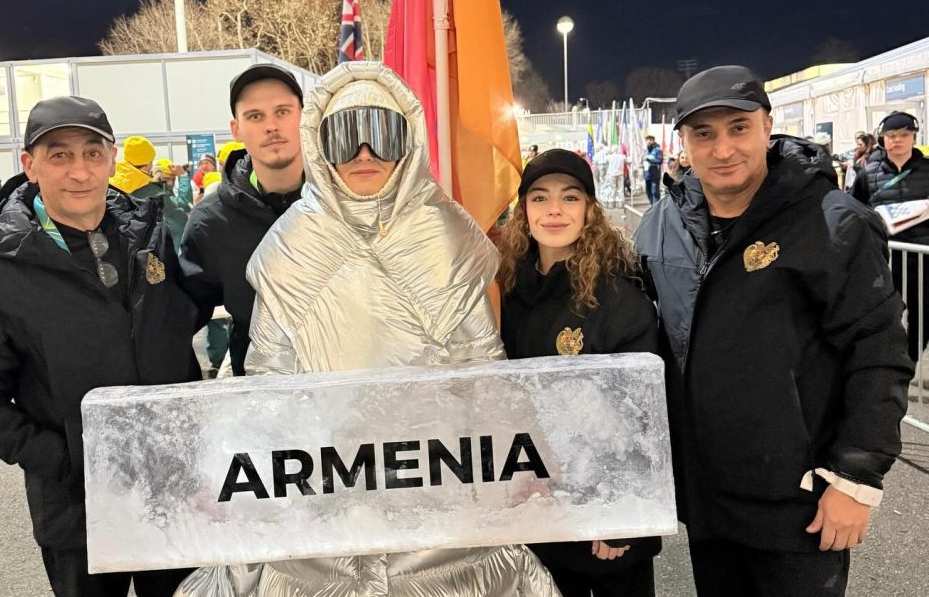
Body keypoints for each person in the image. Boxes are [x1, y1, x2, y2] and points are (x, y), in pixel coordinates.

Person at [184, 61, 557, 596]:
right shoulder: (290, 244)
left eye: (381, 134)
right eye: (345, 136)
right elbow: (269, 380)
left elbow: (483, 375)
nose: (364, 154)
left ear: (407, 141)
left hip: (435, 485)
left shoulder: (447, 234)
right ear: (322, 144)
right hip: (324, 487)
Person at [635, 65, 912, 597]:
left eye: (738, 128)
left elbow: (878, 352)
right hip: (709, 502)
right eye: (703, 133)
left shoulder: (832, 222)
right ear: (683, 141)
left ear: (767, 125)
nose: (723, 149)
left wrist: (855, 477)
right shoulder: (660, 227)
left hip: (799, 506)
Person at [0, 96, 201, 597]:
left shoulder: (150, 239)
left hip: (173, 495)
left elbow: (184, 327)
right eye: (59, 155)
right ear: (30, 165)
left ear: (112, 159)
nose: (80, 171)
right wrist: (66, 459)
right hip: (77, 512)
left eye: (92, 153)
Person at [497, 148, 660, 597]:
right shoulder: (505, 292)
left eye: (569, 197)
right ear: (523, 210)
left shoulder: (619, 299)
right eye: (539, 197)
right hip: (536, 514)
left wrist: (621, 513)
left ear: (589, 209)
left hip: (606, 526)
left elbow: (640, 416)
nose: (554, 210)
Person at [179, 64, 306, 379]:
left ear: (305, 117)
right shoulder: (212, 222)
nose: (271, 126)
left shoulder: (344, 202)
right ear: (236, 129)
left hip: (345, 391)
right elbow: (174, 321)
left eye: (282, 112)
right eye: (255, 116)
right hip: (259, 396)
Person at [851, 111, 929, 362]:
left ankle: (910, 361)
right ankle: (885, 364)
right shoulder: (868, 173)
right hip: (882, 259)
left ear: (914, 137)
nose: (897, 140)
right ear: (883, 138)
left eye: (904, 134)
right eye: (891, 135)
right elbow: (853, 209)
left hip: (922, 259)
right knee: (882, 314)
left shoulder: (927, 170)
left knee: (923, 313)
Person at [111, 135, 193, 250]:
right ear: (148, 164)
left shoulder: (112, 181)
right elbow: (182, 211)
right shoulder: (151, 191)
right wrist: (183, 176)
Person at [642, 135, 663, 205]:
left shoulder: (658, 150)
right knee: (648, 191)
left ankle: (655, 207)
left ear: (653, 141)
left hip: (654, 175)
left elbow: (659, 161)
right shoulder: (645, 150)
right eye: (647, 140)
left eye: (650, 140)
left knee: (655, 192)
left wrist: (649, 160)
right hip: (647, 175)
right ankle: (652, 205)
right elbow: (643, 161)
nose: (648, 141)